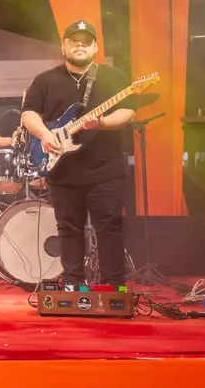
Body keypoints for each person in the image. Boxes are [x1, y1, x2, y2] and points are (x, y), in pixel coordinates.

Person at [21, 20, 135, 287]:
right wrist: (45, 135)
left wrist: (102, 122)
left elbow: (128, 112)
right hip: (62, 169)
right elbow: (28, 114)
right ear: (63, 47)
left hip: (105, 168)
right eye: (74, 41)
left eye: (86, 42)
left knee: (109, 227)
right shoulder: (45, 80)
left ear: (95, 47)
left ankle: (112, 287)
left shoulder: (114, 76)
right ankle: (73, 284)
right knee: (68, 227)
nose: (80, 46)